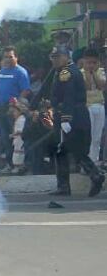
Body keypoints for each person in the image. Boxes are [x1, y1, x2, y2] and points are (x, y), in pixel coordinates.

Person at [49, 46, 105, 197]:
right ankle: (94, 175)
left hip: (71, 116)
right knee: (75, 150)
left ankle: (65, 186)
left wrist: (65, 118)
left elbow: (69, 96)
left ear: (66, 57)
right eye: (53, 57)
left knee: (63, 150)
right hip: (78, 115)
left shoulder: (66, 73)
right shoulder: (67, 70)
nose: (55, 60)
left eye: (58, 57)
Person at [0, 47, 30, 165]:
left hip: (13, 110)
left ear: (16, 57)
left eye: (11, 57)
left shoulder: (21, 72)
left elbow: (25, 90)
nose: (8, 59)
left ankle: (19, 164)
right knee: (5, 138)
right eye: (6, 57)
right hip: (1, 108)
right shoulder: (1, 72)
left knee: (15, 137)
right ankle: (9, 164)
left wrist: (17, 107)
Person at [81, 49, 106, 165]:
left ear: (98, 62)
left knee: (97, 137)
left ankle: (94, 161)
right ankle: (86, 163)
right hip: (87, 106)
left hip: (99, 105)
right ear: (84, 62)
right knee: (88, 136)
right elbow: (87, 86)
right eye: (88, 62)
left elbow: (101, 86)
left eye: (94, 63)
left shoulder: (101, 71)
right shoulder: (80, 73)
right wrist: (88, 72)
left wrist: (94, 73)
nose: (91, 65)